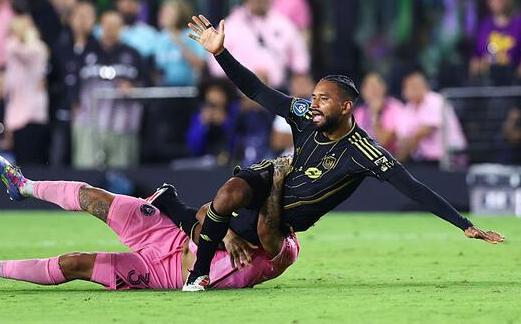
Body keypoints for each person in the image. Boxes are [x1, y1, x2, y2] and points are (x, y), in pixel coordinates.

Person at [182, 14, 504, 291]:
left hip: (280, 220)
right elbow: (257, 90)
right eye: (315, 95)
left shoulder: (363, 151)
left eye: (324, 98)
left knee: (204, 218)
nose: (314, 103)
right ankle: (198, 277)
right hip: (274, 177)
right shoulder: (305, 113)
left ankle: (170, 208)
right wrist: (221, 53)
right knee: (227, 196)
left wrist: (464, 224)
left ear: (346, 107)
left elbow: (414, 188)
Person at [0, 153, 299, 291]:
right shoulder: (248, 201)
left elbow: (268, 234)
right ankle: (26, 187)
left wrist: (277, 182)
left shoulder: (285, 248)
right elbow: (207, 211)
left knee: (75, 264)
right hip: (169, 234)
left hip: (165, 274)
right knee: (98, 199)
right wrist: (223, 234)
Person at [72, 10, 147, 169]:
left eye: (115, 26)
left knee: (121, 175)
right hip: (88, 124)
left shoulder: (133, 54)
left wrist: (133, 87)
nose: (110, 29)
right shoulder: (86, 51)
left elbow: (146, 85)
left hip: (122, 125)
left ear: (122, 28)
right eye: (107, 25)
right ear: (101, 26)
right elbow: (72, 82)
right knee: (87, 176)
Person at [207, 0, 309, 89]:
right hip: (240, 88)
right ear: (246, 1)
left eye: (262, 0)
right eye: (255, 0)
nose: (258, 3)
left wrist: (300, 72)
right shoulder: (231, 25)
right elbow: (216, 57)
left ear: (268, 1)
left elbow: (298, 52)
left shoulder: (282, 23)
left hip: (277, 89)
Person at [49, 0, 97, 166]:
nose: (83, 20)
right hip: (63, 110)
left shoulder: (99, 48)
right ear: (70, 19)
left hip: (90, 115)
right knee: (58, 157)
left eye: (87, 16)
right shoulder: (60, 46)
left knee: (85, 161)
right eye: (79, 16)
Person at [4, 6, 49, 164]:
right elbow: (11, 94)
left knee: (34, 165)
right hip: (18, 120)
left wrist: (27, 34)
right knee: (21, 165)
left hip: (34, 117)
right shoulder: (14, 58)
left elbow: (18, 49)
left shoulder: (36, 49)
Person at [395, 71, 467, 164]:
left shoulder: (436, 100)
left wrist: (397, 160)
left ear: (425, 86)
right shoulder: (407, 109)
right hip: (423, 160)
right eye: (410, 86)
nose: (413, 89)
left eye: (416, 85)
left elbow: (422, 133)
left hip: (450, 158)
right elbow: (402, 138)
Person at [470, 0, 521, 85]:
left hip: (514, 84)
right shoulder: (484, 26)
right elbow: (476, 57)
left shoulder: (518, 24)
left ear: (509, 1)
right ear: (488, 1)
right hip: (488, 83)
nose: (498, 1)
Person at [153, 0, 205, 86]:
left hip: (189, 89)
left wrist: (178, 41)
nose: (163, 16)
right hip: (165, 90)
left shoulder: (193, 32)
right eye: (163, 12)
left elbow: (201, 65)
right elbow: (157, 68)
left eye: (168, 13)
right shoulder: (161, 36)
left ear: (180, 14)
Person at [354, 72, 403, 155]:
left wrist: (375, 115)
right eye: (369, 86)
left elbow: (383, 141)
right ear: (363, 90)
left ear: (384, 88)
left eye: (376, 86)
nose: (373, 90)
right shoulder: (359, 111)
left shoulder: (394, 107)